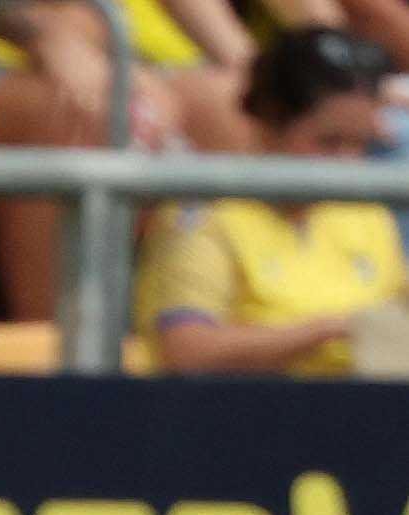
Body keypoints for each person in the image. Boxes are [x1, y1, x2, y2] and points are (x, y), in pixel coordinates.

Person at [139, 28, 406, 377]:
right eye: (329, 142)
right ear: (268, 123)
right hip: (239, 406)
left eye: (359, 145)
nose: (347, 165)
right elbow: (186, 351)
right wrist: (330, 332)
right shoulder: (204, 215)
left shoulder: (366, 212)